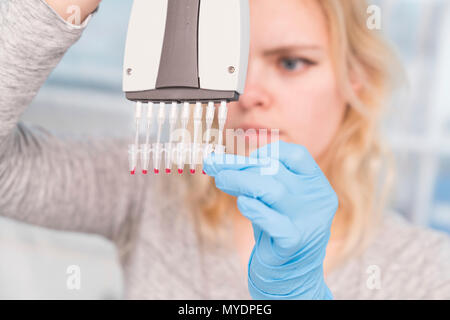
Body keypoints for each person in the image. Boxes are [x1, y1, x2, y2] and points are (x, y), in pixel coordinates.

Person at [0, 0, 449, 299]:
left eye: (291, 62)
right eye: (222, 61)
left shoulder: (428, 271)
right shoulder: (148, 189)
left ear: (358, 81)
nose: (246, 92)